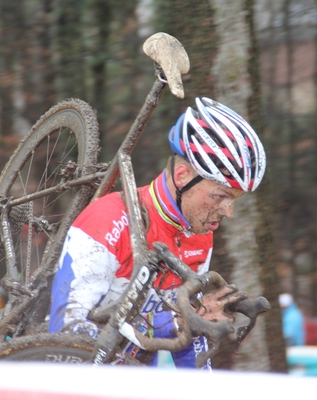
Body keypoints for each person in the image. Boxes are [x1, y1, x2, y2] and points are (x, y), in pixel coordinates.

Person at [48, 97, 266, 369]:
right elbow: (65, 335)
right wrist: (171, 323)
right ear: (183, 176)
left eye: (235, 199)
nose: (228, 211)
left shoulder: (199, 234)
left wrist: (194, 323)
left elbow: (189, 345)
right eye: (220, 196)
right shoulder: (108, 222)